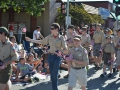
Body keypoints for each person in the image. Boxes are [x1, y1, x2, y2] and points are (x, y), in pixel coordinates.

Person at [25, 23, 68, 90]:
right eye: (50, 28)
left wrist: (62, 52)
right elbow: (42, 42)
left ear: (57, 29)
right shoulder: (49, 37)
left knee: (55, 73)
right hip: (50, 56)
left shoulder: (61, 38)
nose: (50, 30)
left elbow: (65, 48)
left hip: (57, 57)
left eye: (52, 28)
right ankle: (54, 86)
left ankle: (55, 88)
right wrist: (30, 40)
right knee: (52, 74)